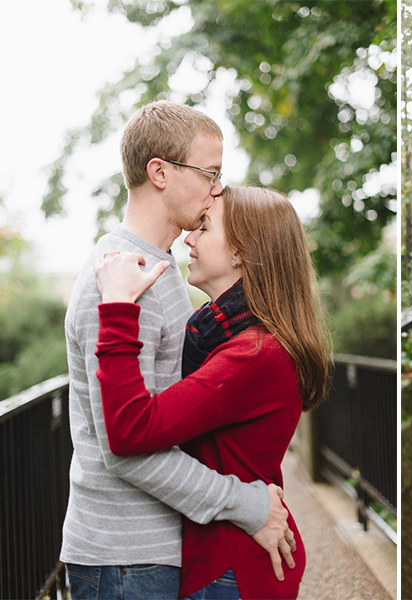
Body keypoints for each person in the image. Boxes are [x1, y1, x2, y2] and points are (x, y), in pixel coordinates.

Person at [62, 101, 293, 599]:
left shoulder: (157, 271)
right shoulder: (121, 277)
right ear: (160, 172)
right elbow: (126, 446)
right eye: (209, 172)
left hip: (151, 548)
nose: (216, 187)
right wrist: (246, 503)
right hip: (123, 555)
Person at [92, 185, 330, 599]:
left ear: (241, 251)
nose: (189, 237)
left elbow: (131, 429)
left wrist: (117, 309)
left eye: (204, 227)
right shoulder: (230, 336)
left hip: (228, 570)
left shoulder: (252, 354)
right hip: (233, 560)